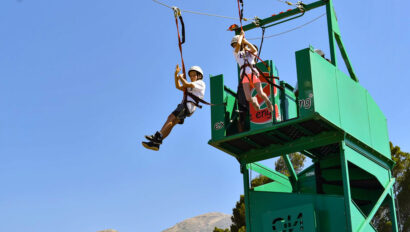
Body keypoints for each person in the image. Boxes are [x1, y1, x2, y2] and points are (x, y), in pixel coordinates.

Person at [142, 64, 206, 151]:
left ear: (199, 76)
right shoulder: (191, 85)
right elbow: (178, 86)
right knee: (172, 123)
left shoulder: (200, 83)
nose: (191, 77)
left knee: (170, 118)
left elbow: (185, 83)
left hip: (186, 106)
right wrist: (176, 75)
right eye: (190, 76)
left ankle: (157, 136)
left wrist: (180, 77)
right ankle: (156, 143)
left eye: (194, 75)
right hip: (186, 107)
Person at [231, 30, 273, 112]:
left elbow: (254, 50)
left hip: (252, 73)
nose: (235, 46)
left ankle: (268, 102)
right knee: (248, 97)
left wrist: (245, 41)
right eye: (234, 45)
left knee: (260, 93)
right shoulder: (236, 53)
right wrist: (241, 36)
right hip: (244, 75)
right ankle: (254, 100)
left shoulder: (249, 53)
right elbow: (239, 45)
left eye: (235, 44)